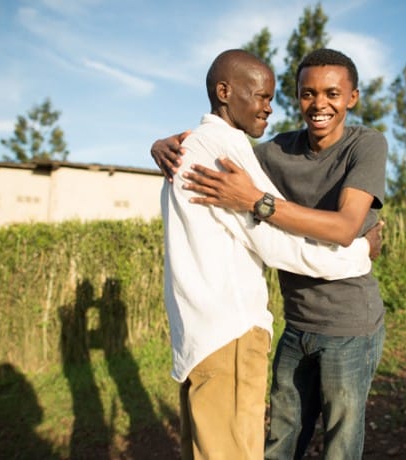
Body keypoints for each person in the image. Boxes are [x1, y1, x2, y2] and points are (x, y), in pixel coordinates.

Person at [152, 48, 388, 459]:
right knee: (279, 442)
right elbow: (274, 240)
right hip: (289, 326)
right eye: (307, 93)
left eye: (332, 93)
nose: (318, 104)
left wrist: (257, 200)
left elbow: (346, 226)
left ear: (352, 97)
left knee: (340, 444)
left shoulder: (364, 145)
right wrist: (160, 145)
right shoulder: (267, 151)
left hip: (348, 321)